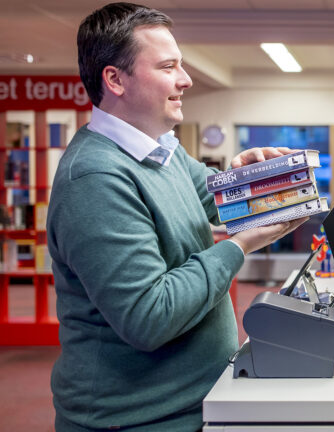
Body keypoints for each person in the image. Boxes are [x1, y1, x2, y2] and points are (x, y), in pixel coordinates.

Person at [47, 3, 307, 431]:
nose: (185, 80)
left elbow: (218, 201)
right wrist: (239, 247)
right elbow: (149, 316)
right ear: (115, 80)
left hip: (195, 400)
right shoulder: (94, 177)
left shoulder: (161, 148)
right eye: (168, 67)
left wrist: (252, 180)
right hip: (140, 419)